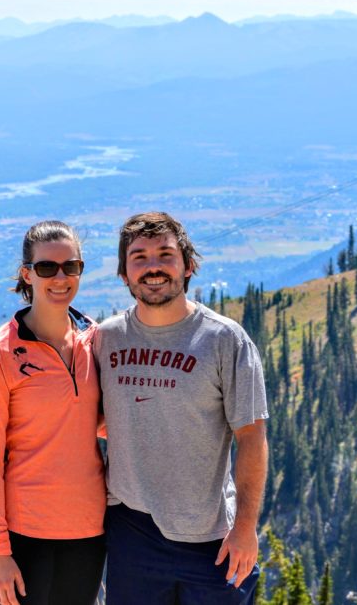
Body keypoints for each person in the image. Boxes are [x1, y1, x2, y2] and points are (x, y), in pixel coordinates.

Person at [95, 211, 269, 605]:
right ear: (124, 273)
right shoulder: (105, 340)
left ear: (188, 266)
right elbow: (88, 417)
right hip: (131, 531)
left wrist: (245, 527)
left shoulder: (226, 341)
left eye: (165, 255)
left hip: (212, 539)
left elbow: (252, 437)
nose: (152, 267)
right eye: (138, 257)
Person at [0, 220, 106, 605]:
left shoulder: (93, 338)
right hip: (25, 533)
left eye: (72, 266)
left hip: (89, 529)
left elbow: (97, 423)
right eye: (47, 267)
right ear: (26, 274)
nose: (60, 277)